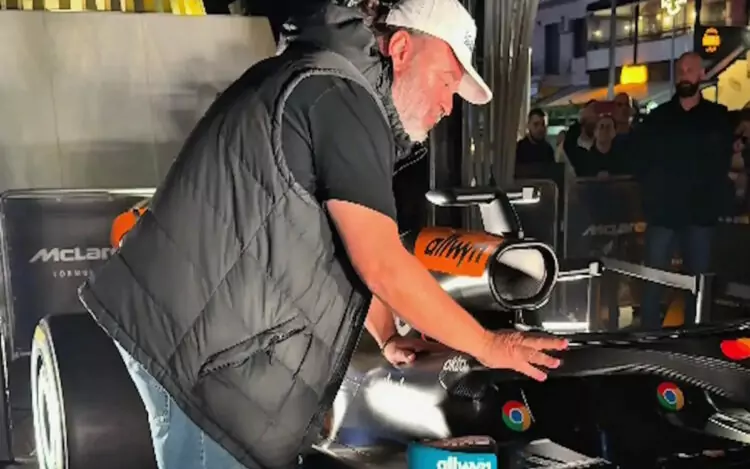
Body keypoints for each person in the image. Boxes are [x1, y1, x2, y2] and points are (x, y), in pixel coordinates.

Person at [78, 1, 569, 469]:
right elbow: (381, 262)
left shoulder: (327, 85)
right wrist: (489, 345)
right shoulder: (340, 98)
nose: (447, 105)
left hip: (198, 337)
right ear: (401, 49)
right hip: (204, 354)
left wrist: (388, 335)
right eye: (445, 81)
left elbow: (345, 246)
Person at [632, 52, 733, 329]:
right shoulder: (658, 118)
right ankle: (649, 339)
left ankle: (693, 339)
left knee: (697, 286)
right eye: (680, 71)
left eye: (689, 70)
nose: (683, 75)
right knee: (653, 283)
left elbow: (722, 163)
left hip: (700, 214)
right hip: (663, 213)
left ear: (701, 74)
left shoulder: (717, 118)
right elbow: (641, 161)